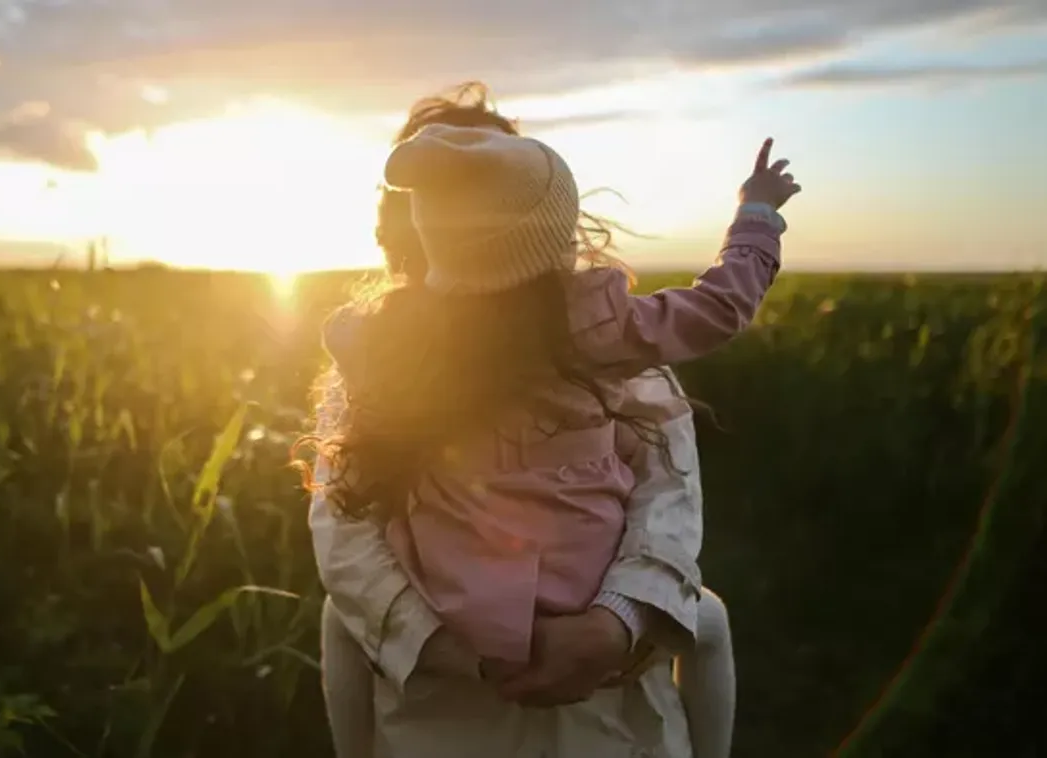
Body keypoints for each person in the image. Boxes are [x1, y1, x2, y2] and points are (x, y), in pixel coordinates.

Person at [307, 85, 795, 758]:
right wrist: (757, 219)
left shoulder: (384, 351)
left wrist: (613, 623)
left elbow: (666, 496)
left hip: (605, 706)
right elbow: (346, 536)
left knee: (339, 622)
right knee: (705, 618)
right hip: (440, 706)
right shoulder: (600, 335)